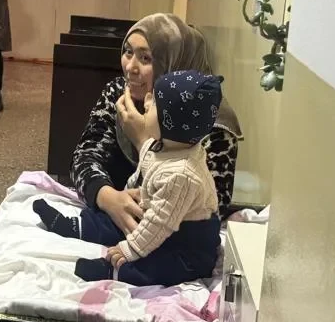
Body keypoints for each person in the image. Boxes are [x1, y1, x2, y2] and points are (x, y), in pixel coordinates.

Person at [35, 70, 224, 286]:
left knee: (160, 266)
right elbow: (144, 168)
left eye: (154, 103)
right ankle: (74, 226)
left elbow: (159, 225)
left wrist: (130, 249)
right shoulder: (162, 145)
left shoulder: (181, 175)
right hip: (161, 218)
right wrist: (130, 193)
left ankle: (114, 271)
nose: (146, 102)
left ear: (170, 122)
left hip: (186, 246)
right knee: (117, 219)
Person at [69, 14, 242, 237]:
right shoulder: (119, 93)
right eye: (128, 52)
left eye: (146, 58)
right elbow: (84, 156)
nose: (130, 67)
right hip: (113, 223)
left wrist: (144, 142)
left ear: (175, 62)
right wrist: (108, 198)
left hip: (167, 242)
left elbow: (208, 212)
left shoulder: (210, 119)